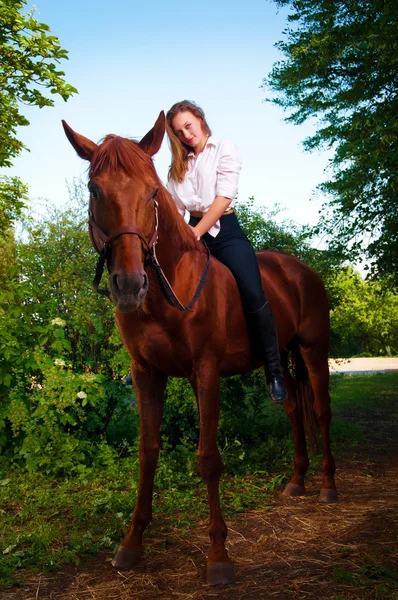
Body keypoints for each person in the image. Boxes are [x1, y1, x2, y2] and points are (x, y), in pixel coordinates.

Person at [165, 100, 287, 403]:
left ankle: (273, 369)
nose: (186, 134)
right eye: (179, 132)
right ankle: (152, 355)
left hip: (225, 234)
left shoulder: (225, 148)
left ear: (201, 119)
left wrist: (197, 231)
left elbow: (223, 198)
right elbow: (174, 209)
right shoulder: (178, 167)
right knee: (163, 281)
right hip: (191, 236)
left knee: (252, 291)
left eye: (188, 126)